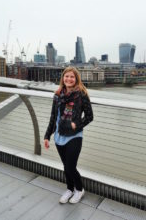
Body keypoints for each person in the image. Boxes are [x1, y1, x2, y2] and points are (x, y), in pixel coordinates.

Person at [44, 66, 93, 204]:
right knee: (66, 166)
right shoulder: (58, 95)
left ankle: (79, 189)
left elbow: (89, 116)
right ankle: (70, 189)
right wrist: (47, 136)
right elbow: (54, 117)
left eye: (72, 77)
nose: (69, 79)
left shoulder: (81, 94)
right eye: (67, 76)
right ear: (63, 78)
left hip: (74, 136)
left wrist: (76, 125)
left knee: (71, 166)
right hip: (59, 136)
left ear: (76, 79)